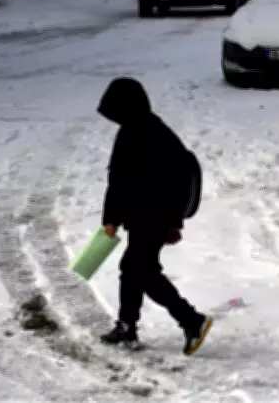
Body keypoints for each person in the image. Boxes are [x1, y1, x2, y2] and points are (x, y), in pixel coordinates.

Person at [96, 77, 213, 356]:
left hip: (153, 217)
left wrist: (173, 222)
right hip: (143, 217)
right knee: (133, 269)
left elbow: (174, 181)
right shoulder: (136, 129)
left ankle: (192, 320)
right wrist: (112, 219)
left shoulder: (150, 133)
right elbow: (121, 181)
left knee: (143, 272)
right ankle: (127, 325)